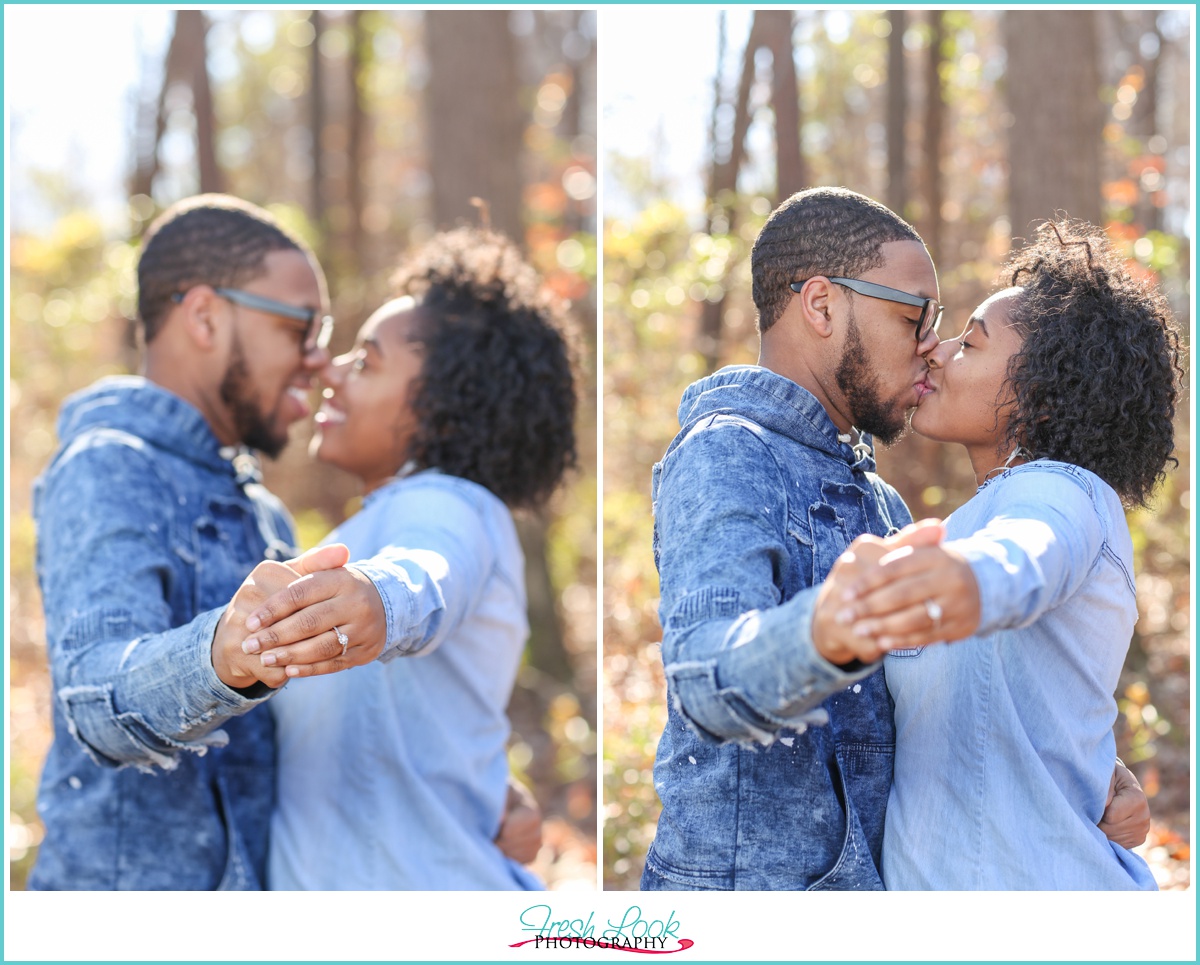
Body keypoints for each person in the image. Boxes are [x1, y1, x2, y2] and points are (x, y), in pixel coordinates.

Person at [640, 187, 1146, 891]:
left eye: (948, 329)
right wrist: (824, 632)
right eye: (916, 317)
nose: (930, 346)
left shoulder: (886, 509)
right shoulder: (729, 451)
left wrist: (1089, 768)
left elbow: (1021, 580)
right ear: (821, 305)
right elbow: (706, 680)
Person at [29, 196, 533, 890]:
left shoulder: (267, 518)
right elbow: (96, 695)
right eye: (302, 326)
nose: (318, 360)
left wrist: (480, 785)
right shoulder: (108, 464)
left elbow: (322, 729)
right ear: (205, 315)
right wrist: (221, 654)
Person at [818, 222, 1179, 888]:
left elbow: (1031, 552)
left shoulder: (1064, 492)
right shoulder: (955, 524)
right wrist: (1101, 768)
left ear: (1039, 395)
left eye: (971, 342)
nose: (937, 351)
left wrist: (972, 580)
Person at [228, 227, 577, 889]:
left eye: (366, 361)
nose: (328, 370)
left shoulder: (451, 504)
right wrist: (494, 785)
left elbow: (430, 565)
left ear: (439, 406)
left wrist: (381, 597)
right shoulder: (368, 524)